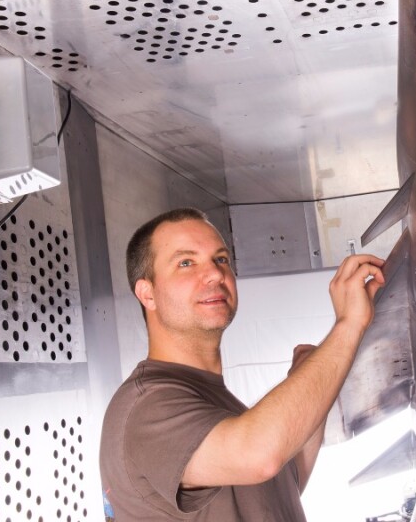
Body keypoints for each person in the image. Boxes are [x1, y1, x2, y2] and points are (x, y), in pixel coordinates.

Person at [99, 207, 385, 521]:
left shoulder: (218, 405)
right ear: (147, 293)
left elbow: (280, 486)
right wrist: (348, 325)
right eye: (186, 263)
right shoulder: (146, 408)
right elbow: (260, 458)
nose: (214, 274)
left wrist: (309, 371)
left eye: (220, 259)